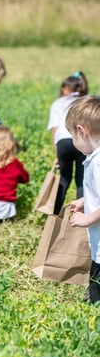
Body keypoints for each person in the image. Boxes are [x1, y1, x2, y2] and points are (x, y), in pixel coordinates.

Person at [65, 95, 100, 304]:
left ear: (82, 131)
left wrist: (87, 219)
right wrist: (85, 201)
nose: (72, 139)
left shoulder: (97, 164)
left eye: (72, 134)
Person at [47, 71, 88, 214]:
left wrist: (56, 153)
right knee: (81, 180)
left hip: (63, 142)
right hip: (81, 140)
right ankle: (82, 216)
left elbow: (55, 129)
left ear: (65, 89)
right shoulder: (85, 101)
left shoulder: (58, 103)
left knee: (64, 179)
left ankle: (54, 215)